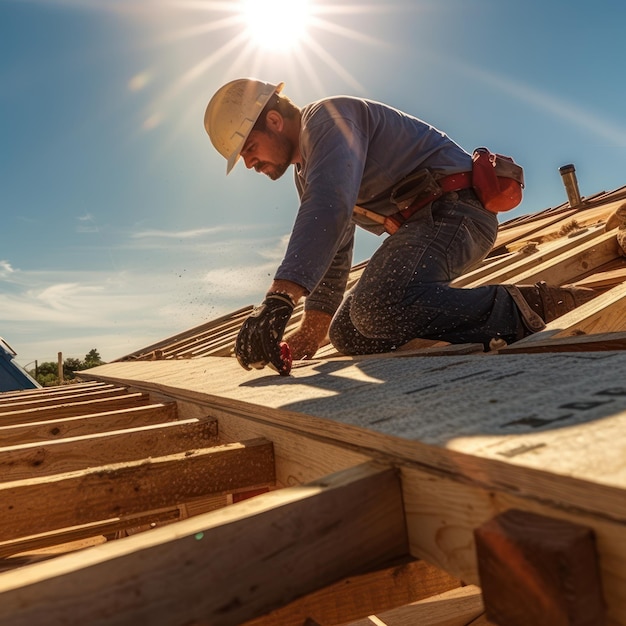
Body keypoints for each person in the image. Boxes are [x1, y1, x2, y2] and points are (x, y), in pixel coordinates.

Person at [203, 78, 595, 374]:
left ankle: (531, 308)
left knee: (378, 306)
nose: (250, 164)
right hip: (423, 226)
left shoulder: (327, 119)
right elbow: (335, 241)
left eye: (249, 149)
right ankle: (459, 334)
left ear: (273, 120)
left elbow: (329, 204)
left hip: (458, 211)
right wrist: (312, 329)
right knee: (350, 334)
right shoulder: (306, 173)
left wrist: (278, 300)